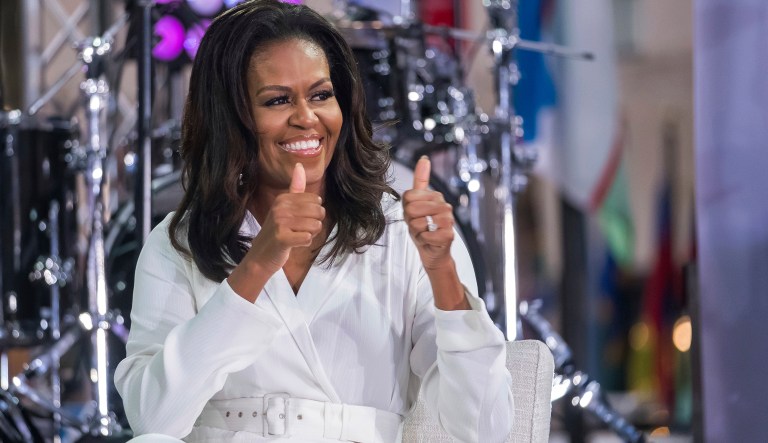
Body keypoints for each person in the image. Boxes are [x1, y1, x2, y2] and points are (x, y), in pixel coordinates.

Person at [114, 1, 514, 442]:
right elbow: (152, 418)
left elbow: (486, 430)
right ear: (231, 119)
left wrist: (443, 274)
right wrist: (255, 268)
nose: (307, 117)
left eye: (321, 95)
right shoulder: (180, 242)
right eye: (278, 100)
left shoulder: (401, 231)